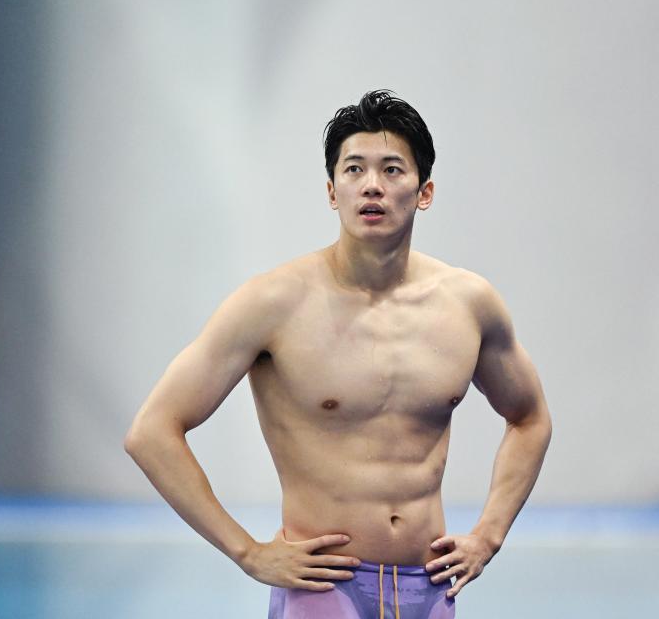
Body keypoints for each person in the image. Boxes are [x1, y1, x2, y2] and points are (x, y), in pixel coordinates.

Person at [123, 90, 552, 618]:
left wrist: (488, 536)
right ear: (332, 191)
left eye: (392, 169)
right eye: (354, 169)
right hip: (323, 587)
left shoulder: (469, 303)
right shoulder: (273, 304)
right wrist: (247, 552)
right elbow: (151, 431)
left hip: (430, 585)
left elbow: (530, 418)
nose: (372, 185)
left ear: (425, 192)